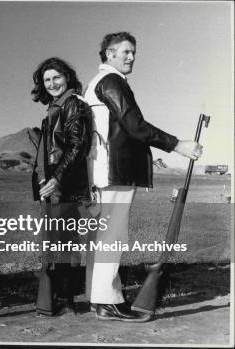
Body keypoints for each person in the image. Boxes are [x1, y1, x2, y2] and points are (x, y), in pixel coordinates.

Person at [84, 32, 203, 322]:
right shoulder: (111, 82)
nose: (131, 57)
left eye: (133, 52)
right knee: (112, 237)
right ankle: (106, 301)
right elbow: (134, 125)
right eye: (125, 51)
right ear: (109, 54)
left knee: (107, 237)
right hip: (114, 172)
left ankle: (100, 299)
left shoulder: (102, 82)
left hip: (107, 172)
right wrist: (178, 145)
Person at [31, 57, 91, 316]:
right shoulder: (56, 108)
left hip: (65, 187)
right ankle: (60, 295)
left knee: (65, 242)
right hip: (55, 186)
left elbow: (78, 146)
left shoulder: (72, 105)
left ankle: (66, 299)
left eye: (57, 77)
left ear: (67, 78)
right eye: (47, 80)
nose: (53, 83)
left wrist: (57, 178)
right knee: (58, 242)